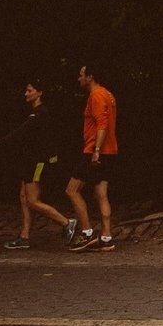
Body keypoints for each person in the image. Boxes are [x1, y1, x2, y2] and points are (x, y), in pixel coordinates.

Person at [0, 80, 76, 249]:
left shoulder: (41, 113)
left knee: (32, 200)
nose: (25, 94)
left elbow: (19, 133)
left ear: (39, 93)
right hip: (29, 162)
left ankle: (66, 222)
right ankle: (24, 237)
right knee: (23, 196)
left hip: (36, 163)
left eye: (29, 90)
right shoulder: (35, 113)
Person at [65, 65, 117, 251]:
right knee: (101, 194)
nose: (78, 78)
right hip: (110, 151)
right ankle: (106, 237)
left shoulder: (96, 95)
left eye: (81, 75)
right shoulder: (108, 94)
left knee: (72, 190)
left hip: (94, 151)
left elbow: (102, 124)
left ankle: (86, 233)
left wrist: (96, 150)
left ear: (90, 77)